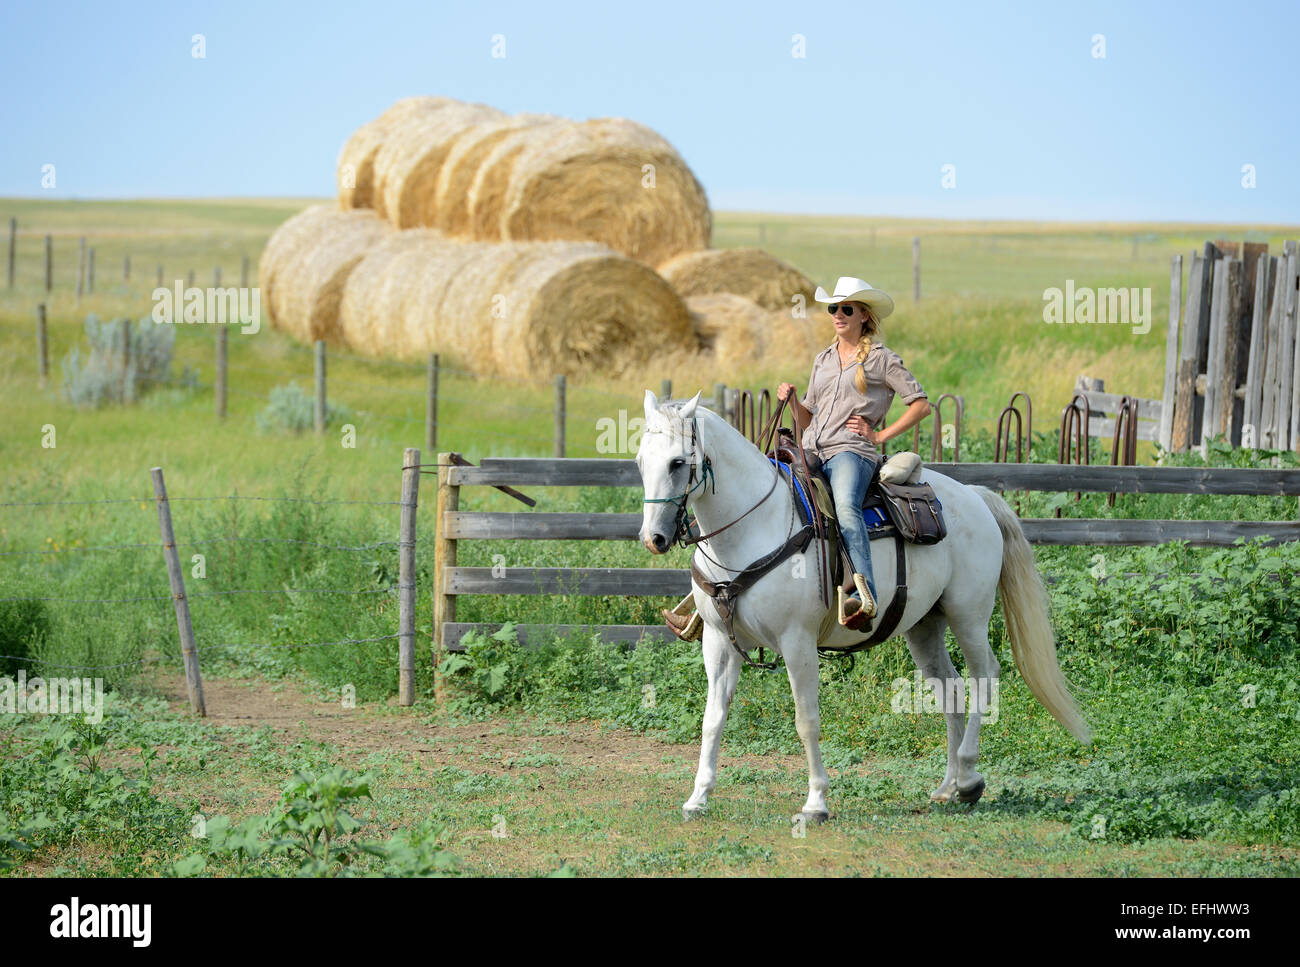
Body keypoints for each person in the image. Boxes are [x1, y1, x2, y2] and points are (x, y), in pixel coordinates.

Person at [777, 276, 931, 629]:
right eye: (834, 308)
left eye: (847, 309)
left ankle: (864, 593)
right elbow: (807, 419)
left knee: (846, 506)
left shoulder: (881, 360)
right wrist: (793, 401)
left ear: (864, 315)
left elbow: (921, 406)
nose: (838, 314)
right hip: (813, 445)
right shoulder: (823, 359)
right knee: (772, 488)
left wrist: (879, 436)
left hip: (851, 452)